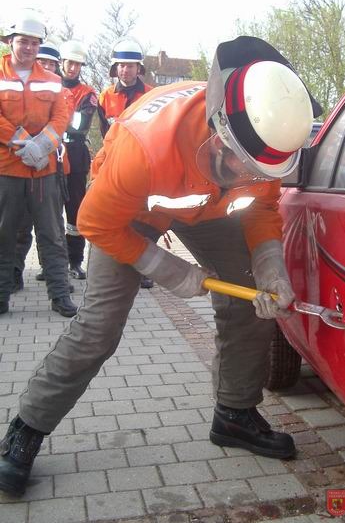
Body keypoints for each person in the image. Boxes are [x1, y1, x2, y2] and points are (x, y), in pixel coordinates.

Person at [0, 36, 322, 496]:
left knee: (252, 297)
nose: (254, 175)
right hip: (128, 212)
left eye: (262, 170)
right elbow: (94, 221)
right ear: (217, 132)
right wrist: (165, 268)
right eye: (243, 164)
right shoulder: (144, 146)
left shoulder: (267, 142)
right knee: (99, 328)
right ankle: (26, 429)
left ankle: (235, 414)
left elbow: (262, 210)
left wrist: (270, 265)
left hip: (207, 207)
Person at [0, 9, 77, 318]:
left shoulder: (53, 80)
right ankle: (2, 295)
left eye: (35, 43)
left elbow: (61, 116)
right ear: (9, 41)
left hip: (43, 171)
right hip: (7, 168)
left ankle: (60, 296)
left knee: (52, 234)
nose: (29, 48)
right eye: (23, 42)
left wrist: (43, 143)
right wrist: (19, 138)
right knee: (4, 235)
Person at [13, 41, 72, 292]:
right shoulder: (17, 84)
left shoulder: (62, 90)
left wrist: (39, 147)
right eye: (44, 61)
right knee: (19, 227)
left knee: (53, 229)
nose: (47, 66)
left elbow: (64, 121)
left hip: (52, 167)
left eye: (51, 63)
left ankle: (56, 278)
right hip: (15, 164)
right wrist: (26, 144)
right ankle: (14, 273)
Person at [98, 36, 154, 289]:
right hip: (115, 164)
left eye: (130, 65)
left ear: (138, 69)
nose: (125, 70)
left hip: (143, 167)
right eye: (121, 65)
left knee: (144, 218)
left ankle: (144, 270)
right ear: (115, 68)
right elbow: (103, 134)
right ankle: (120, 266)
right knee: (117, 215)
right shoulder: (105, 97)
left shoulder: (152, 95)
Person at [59, 40, 97, 280]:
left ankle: (75, 261)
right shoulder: (47, 85)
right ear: (62, 62)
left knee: (75, 212)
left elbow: (80, 125)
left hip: (75, 154)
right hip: (48, 153)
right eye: (69, 62)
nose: (73, 68)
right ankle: (50, 263)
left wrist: (53, 117)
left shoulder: (88, 93)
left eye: (77, 64)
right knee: (48, 214)